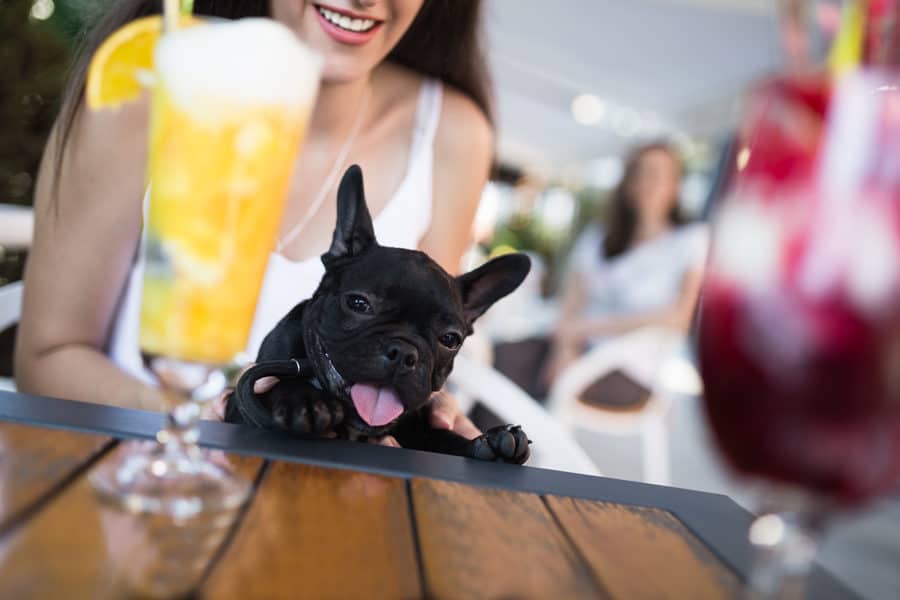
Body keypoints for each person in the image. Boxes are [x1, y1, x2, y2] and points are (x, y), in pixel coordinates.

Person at [16, 0, 490, 442]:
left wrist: (417, 406)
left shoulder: (451, 135)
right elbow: (46, 358)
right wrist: (207, 413)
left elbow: (415, 331)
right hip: (124, 482)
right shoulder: (147, 82)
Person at [546, 141, 708, 388]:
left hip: (634, 373)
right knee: (497, 366)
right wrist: (565, 351)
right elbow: (571, 303)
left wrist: (587, 328)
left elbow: (679, 318)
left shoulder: (691, 239)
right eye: (639, 173)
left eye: (656, 175)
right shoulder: (598, 236)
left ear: (675, 186)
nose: (646, 183)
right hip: (577, 353)